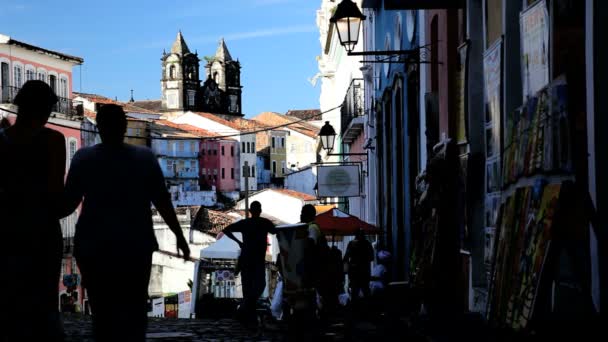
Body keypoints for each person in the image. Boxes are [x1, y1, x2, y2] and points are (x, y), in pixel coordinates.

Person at [61, 104, 190, 341]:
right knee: (134, 306)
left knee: (102, 310)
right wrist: (180, 237)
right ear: (124, 126)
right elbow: (162, 201)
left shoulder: (84, 157)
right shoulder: (144, 158)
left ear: (99, 127)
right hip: (135, 243)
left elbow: (68, 203)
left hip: (94, 244)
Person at [0, 80, 66, 341]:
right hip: (43, 227)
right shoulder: (53, 140)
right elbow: (55, 188)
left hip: (7, 227)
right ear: (45, 109)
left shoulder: (2, 141)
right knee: (44, 289)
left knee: (11, 289)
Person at [222, 201, 277, 328]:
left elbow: (226, 230)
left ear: (250, 211)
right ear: (260, 210)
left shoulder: (245, 223)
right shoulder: (264, 223)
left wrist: (239, 243)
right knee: (259, 285)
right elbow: (276, 231)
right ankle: (246, 313)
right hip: (258, 261)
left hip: (246, 260)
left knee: (247, 288)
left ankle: (246, 313)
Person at [343, 229, 374, 303]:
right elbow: (371, 258)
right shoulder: (367, 244)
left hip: (354, 272)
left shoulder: (351, 244)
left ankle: (355, 310)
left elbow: (346, 258)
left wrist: (347, 269)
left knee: (355, 292)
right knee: (366, 291)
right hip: (364, 272)